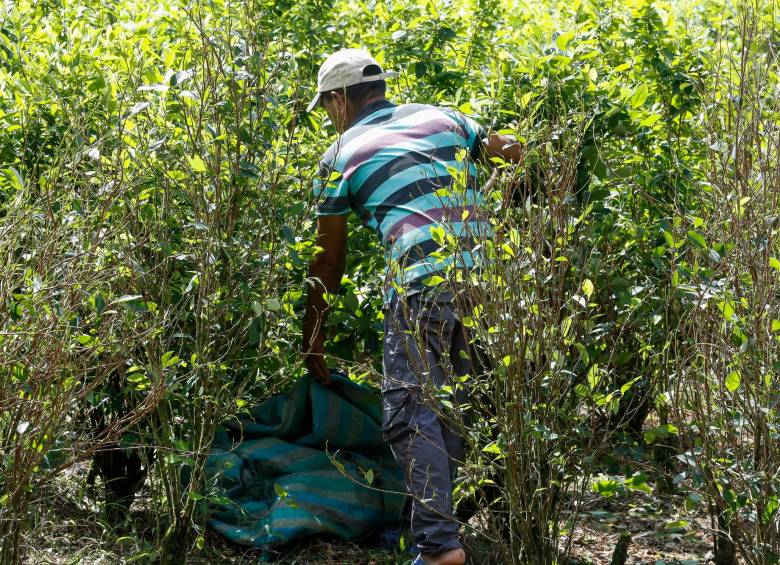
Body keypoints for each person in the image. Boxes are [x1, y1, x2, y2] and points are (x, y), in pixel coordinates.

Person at [301, 48, 522, 565]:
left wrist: (313, 337)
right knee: (459, 410)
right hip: (489, 281)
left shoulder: (339, 156)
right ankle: (439, 529)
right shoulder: (442, 116)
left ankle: (440, 548)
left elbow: (328, 263)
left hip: (422, 285)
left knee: (410, 412)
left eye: (328, 107)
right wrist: (498, 217)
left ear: (338, 100)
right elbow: (515, 151)